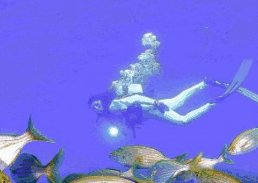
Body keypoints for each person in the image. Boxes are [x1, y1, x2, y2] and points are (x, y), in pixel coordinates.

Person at [88, 33, 247, 136]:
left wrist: (156, 103)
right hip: (153, 109)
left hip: (153, 109)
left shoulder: (113, 105)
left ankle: (213, 102)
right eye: (93, 108)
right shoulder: (107, 114)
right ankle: (204, 83)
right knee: (179, 100)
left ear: (101, 100)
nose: (96, 107)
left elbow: (134, 98)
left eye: (96, 104)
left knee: (182, 121)